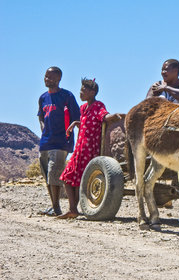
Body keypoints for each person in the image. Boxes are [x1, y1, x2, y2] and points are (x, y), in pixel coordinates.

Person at [57, 78, 121, 219]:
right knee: (68, 177)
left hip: (90, 149)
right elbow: (86, 122)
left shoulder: (98, 105)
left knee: (79, 178)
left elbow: (103, 116)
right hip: (79, 148)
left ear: (92, 92)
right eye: (80, 90)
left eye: (83, 91)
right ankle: (73, 209)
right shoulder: (83, 108)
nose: (81, 93)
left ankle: (73, 209)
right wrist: (75, 123)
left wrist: (114, 117)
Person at [38, 66, 80, 216]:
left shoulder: (67, 96)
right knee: (47, 175)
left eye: (50, 77)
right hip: (45, 142)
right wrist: (43, 128)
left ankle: (56, 209)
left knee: (55, 173)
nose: (47, 79)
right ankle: (53, 206)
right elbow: (41, 116)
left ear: (58, 79)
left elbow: (77, 118)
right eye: (46, 76)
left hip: (61, 141)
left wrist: (70, 133)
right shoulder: (43, 98)